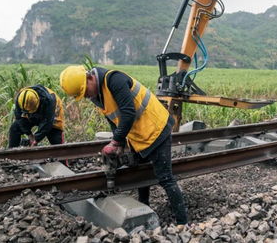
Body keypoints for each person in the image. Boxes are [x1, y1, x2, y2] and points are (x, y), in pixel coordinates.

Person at [59, 65, 188, 225]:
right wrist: (119, 142)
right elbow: (114, 119)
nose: (85, 96)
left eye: (85, 91)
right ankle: (145, 208)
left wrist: (114, 142)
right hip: (140, 134)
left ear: (90, 78)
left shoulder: (114, 80)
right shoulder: (97, 95)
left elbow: (128, 113)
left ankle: (183, 223)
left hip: (157, 127)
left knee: (165, 178)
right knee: (140, 174)